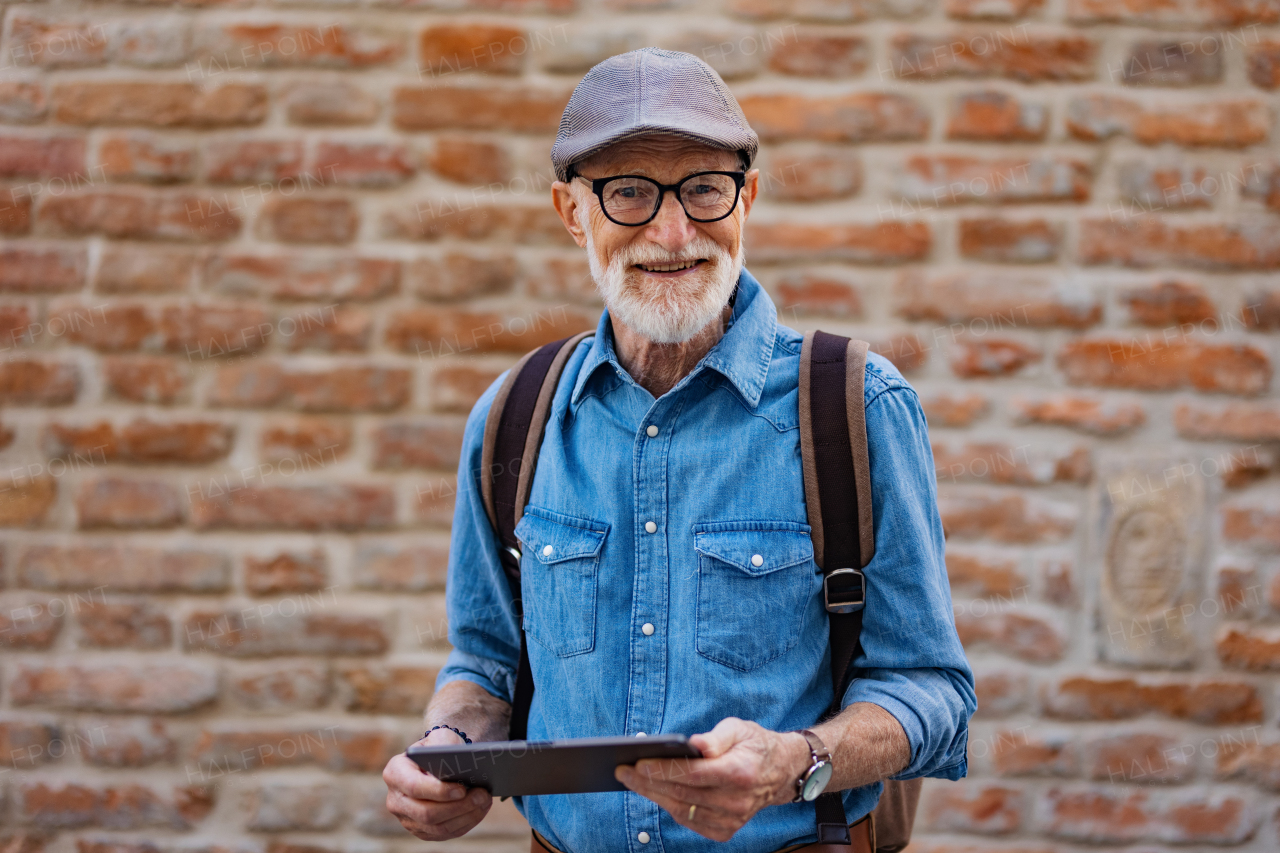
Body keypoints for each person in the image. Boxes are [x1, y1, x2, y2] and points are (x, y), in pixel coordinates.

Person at [382, 47, 975, 853]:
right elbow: (485, 667)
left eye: (703, 188)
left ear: (748, 198)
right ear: (571, 213)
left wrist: (796, 761)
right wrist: (449, 751)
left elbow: (932, 692)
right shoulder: (512, 418)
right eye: (629, 192)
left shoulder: (855, 407)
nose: (672, 231)